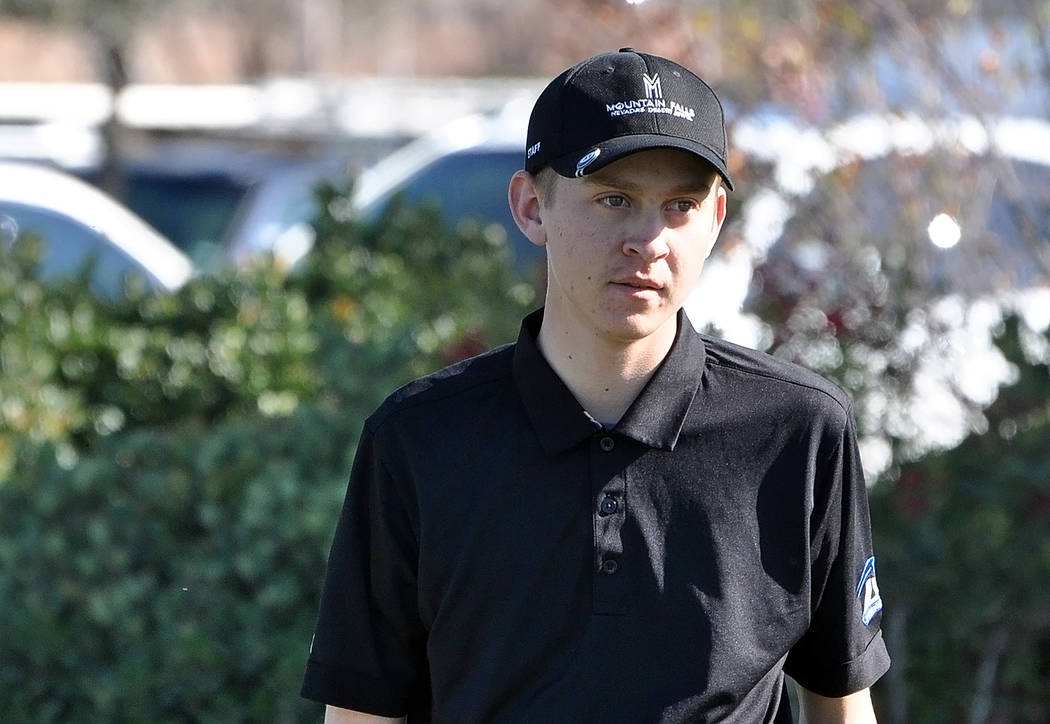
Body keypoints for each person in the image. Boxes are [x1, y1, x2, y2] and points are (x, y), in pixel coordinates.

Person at [302, 48, 890, 723]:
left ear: (716, 218)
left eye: (680, 205)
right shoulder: (419, 440)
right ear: (531, 206)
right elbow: (361, 715)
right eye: (614, 199)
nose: (649, 239)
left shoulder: (799, 430)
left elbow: (843, 706)